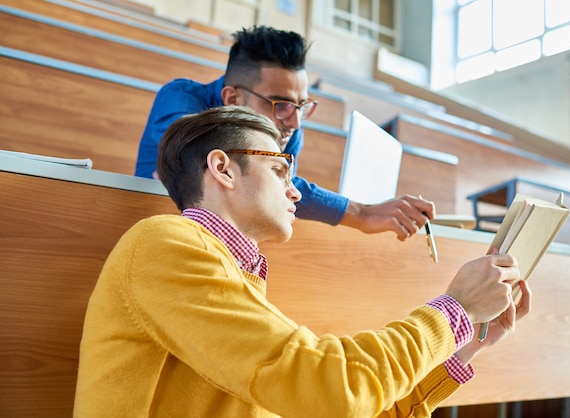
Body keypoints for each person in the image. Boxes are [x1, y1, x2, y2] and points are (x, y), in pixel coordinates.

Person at [75, 106, 532, 417]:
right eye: (279, 170)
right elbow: (336, 389)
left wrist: (467, 340)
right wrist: (455, 310)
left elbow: (347, 402)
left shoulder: (234, 274)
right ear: (222, 168)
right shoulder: (164, 243)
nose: (295, 191)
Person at [135, 25, 436, 241]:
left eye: (301, 105)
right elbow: (206, 160)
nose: (293, 123)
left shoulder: (289, 130)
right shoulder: (180, 97)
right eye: (280, 105)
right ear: (232, 99)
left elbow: (277, 196)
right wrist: (361, 213)